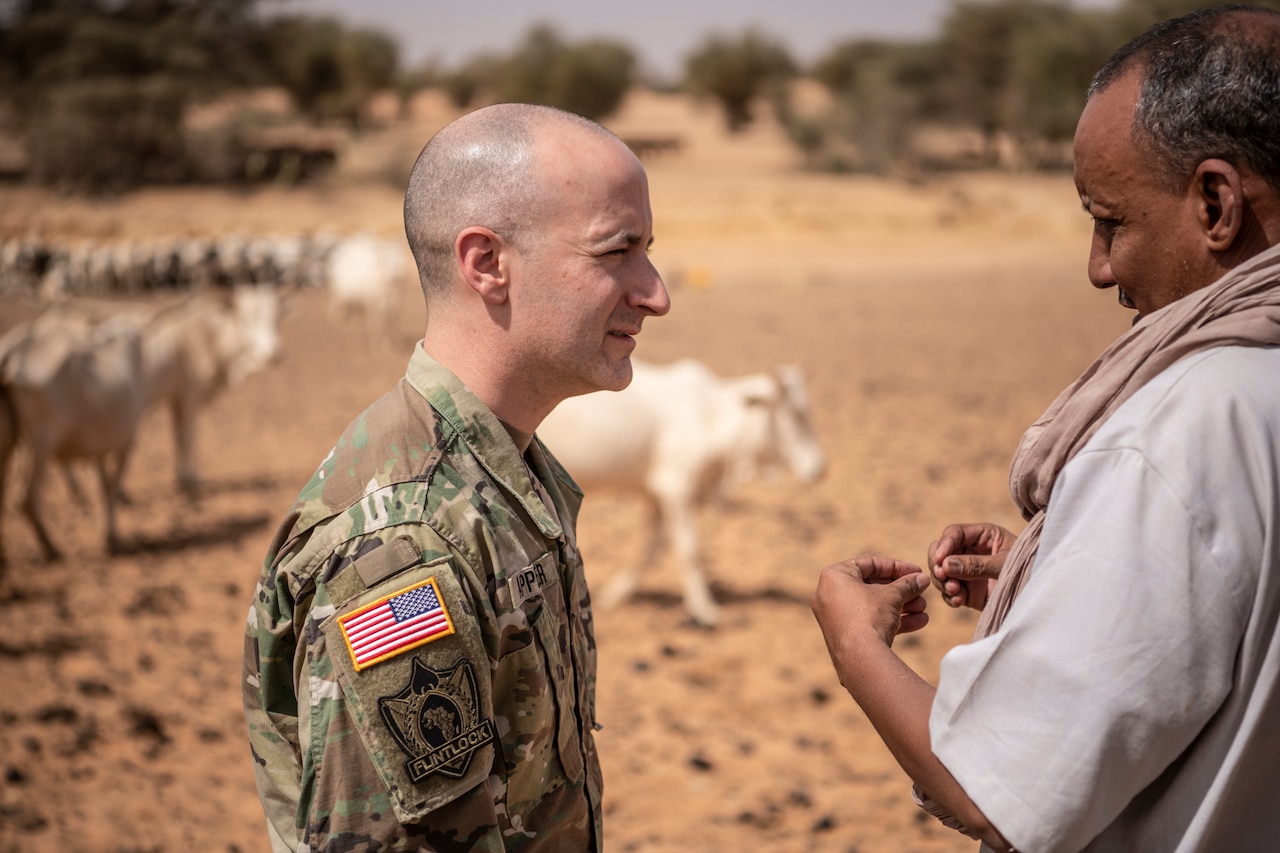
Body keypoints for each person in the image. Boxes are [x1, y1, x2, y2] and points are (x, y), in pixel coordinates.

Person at [811, 6, 1280, 851]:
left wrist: (853, 639)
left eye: (1111, 221)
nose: (1098, 268)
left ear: (1216, 203)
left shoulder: (1188, 426)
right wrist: (1066, 562)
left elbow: (991, 789)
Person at [242, 103, 669, 852]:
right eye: (616, 252)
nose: (655, 291)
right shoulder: (406, 545)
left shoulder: (504, 470)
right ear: (487, 264)